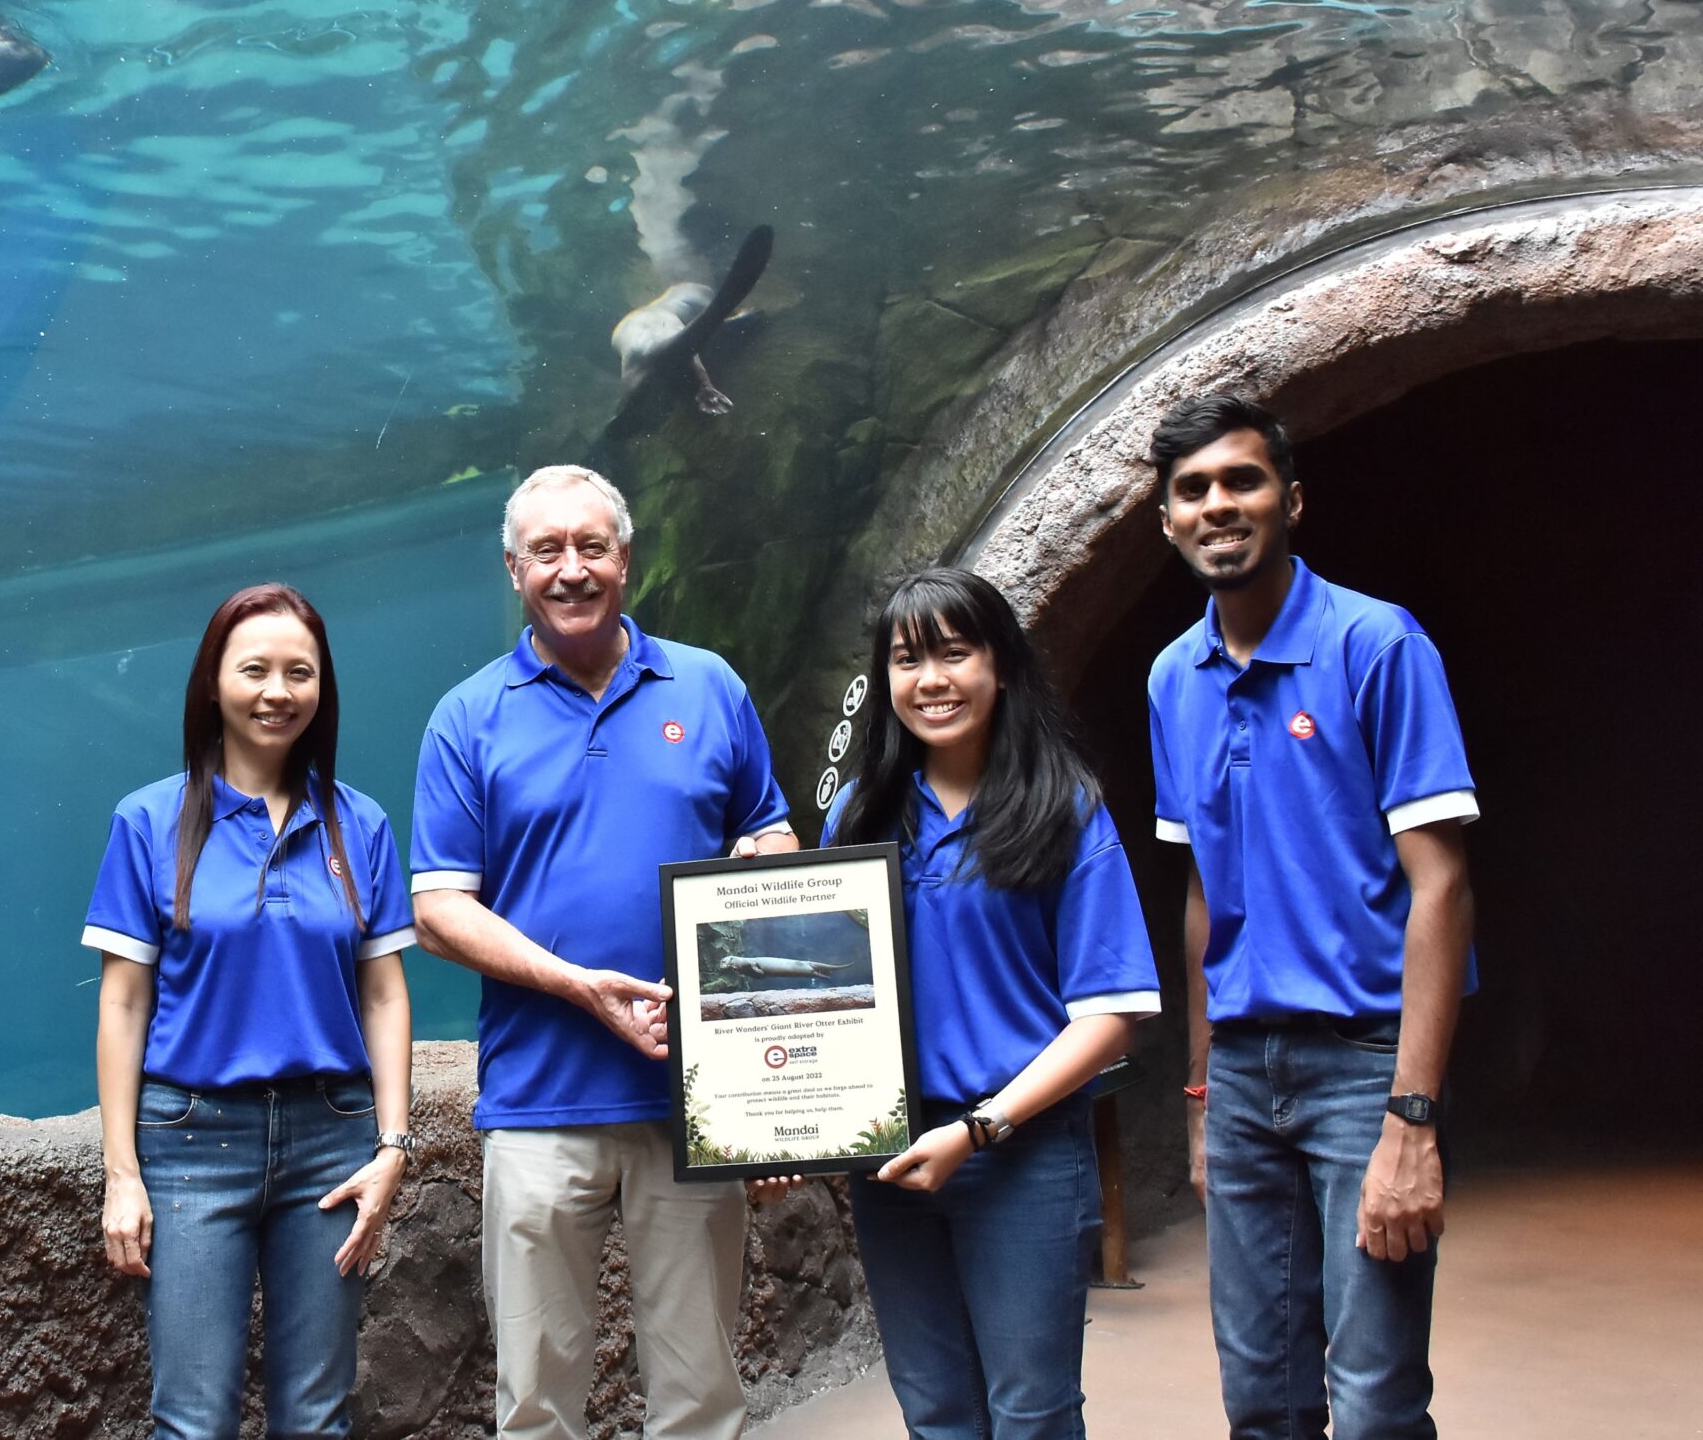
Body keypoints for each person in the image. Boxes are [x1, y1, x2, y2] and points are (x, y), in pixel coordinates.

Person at [410, 464, 796, 1440]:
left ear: (624, 557)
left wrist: (764, 867)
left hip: (692, 1102)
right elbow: (439, 910)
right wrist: (577, 986)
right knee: (537, 1402)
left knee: (701, 1395)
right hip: (539, 1104)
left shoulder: (708, 687)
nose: (571, 568)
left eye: (591, 546)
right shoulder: (468, 717)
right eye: (548, 551)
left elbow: (773, 836)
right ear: (513, 569)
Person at [1145, 394, 1477, 1440]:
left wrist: (1411, 1121)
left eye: (1240, 480)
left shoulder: (1376, 645)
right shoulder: (1171, 678)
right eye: (1191, 490)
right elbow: (1202, 893)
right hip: (1242, 1075)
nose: (1216, 505)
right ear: (1165, 520)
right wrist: (1199, 1095)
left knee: (1375, 1402)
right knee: (1262, 1401)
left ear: (1290, 499)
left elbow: (1442, 885)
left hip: (1362, 1064)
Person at [818, 567, 1160, 1440]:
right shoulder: (860, 818)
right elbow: (814, 1005)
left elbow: (1112, 1010)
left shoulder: (1064, 809)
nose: (929, 679)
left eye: (953, 652)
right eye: (906, 659)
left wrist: (980, 1129)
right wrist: (782, 1134)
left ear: (1001, 663)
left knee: (1032, 1411)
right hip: (889, 1157)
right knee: (935, 1409)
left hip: (1022, 1154)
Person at [84, 583, 419, 1440]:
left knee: (317, 1418)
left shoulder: (360, 824)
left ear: (322, 688)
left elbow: (382, 992)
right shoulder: (149, 820)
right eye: (256, 669)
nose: (279, 690)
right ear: (212, 683)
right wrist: (122, 1171)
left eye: (299, 672)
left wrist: (393, 1145)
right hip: (192, 1140)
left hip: (332, 1140)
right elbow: (123, 1002)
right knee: (192, 1421)